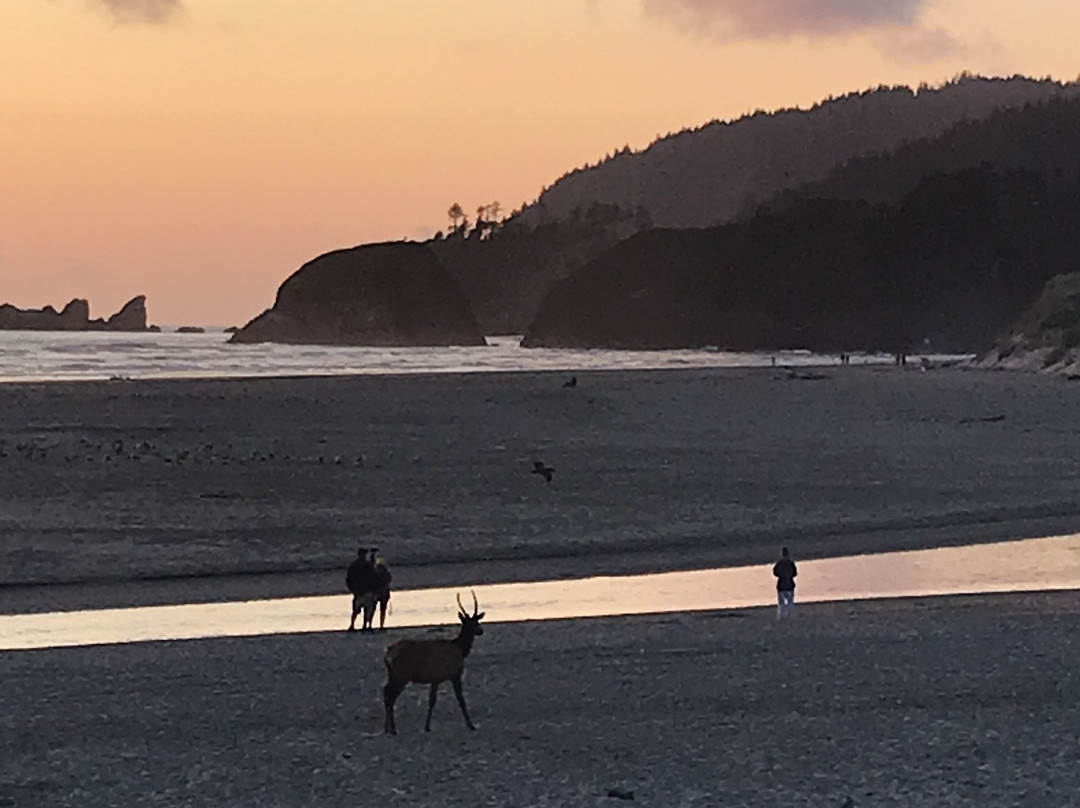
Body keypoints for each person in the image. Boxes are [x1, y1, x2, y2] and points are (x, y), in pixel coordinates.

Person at [346, 546, 379, 632]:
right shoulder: (367, 565)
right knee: (367, 609)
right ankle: (365, 625)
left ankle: (352, 625)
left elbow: (349, 578)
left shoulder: (353, 565)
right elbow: (373, 577)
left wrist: (352, 589)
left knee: (356, 610)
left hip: (358, 591)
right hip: (366, 590)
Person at [772, 547, 797, 619]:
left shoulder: (779, 563)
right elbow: (795, 573)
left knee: (781, 603)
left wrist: (781, 575)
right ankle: (791, 615)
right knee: (790, 602)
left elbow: (775, 573)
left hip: (781, 585)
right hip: (790, 584)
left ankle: (781, 616)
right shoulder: (791, 563)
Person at [371, 550, 393, 630]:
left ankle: (370, 624)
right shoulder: (386, 573)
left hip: (377, 592)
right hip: (384, 593)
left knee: (373, 609)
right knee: (382, 610)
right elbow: (389, 580)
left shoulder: (375, 573)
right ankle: (381, 625)